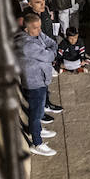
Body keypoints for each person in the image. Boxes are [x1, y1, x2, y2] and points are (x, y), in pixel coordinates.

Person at [14, 11, 59, 156]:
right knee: (36, 113)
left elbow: (52, 42)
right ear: (26, 29)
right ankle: (37, 143)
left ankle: (37, 129)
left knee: (38, 111)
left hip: (42, 79)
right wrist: (50, 52)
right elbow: (49, 55)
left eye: (40, 27)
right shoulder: (27, 44)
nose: (39, 31)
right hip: (35, 82)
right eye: (35, 28)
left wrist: (49, 50)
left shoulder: (36, 34)